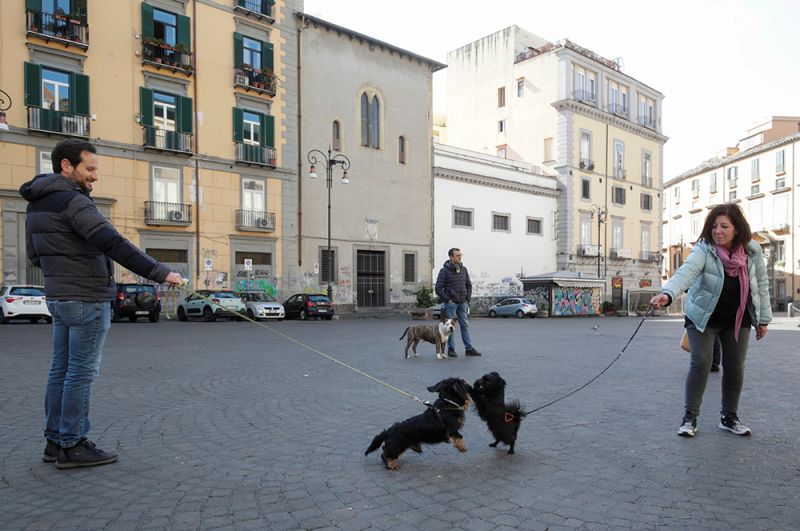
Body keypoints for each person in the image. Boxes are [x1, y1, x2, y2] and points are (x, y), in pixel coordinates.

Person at [20, 139, 184, 469]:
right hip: (87, 298)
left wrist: (62, 273)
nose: (95, 177)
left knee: (60, 370)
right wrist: (160, 272)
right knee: (81, 373)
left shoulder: (37, 204)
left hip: (59, 297)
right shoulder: (74, 202)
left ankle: (55, 442)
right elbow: (112, 242)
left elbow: (34, 255)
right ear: (67, 166)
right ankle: (73, 444)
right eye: (90, 169)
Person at [650, 203, 771, 438]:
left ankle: (729, 417)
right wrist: (668, 294)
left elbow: (762, 286)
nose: (718, 231)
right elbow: (686, 272)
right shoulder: (704, 249)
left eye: (724, 226)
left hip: (737, 319)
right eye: (714, 226)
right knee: (701, 363)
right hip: (702, 317)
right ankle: (689, 418)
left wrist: (763, 319)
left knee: (735, 367)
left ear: (737, 229)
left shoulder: (752, 252)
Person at [435, 248, 481, 357]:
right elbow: (438, 288)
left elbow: (469, 285)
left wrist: (467, 299)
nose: (460, 257)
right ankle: (451, 349)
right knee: (450, 327)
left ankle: (468, 348)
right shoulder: (444, 271)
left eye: (460, 255)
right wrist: (448, 300)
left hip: (462, 302)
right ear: (451, 257)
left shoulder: (464, 269)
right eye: (457, 255)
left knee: (464, 325)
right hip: (451, 303)